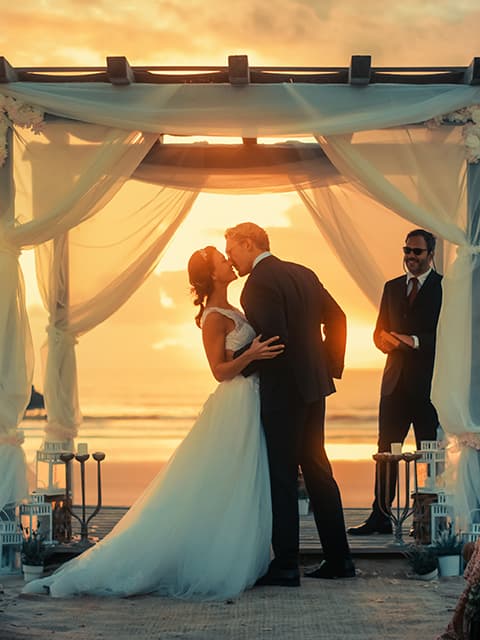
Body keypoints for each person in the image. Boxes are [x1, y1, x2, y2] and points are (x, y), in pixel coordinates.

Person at [23, 246, 284, 600]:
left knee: (238, 480)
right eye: (221, 260)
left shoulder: (234, 309)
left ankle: (232, 547)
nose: (228, 261)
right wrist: (251, 354)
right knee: (225, 478)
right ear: (211, 275)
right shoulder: (213, 316)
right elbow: (219, 371)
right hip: (234, 403)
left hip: (250, 401)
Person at [225, 222, 355, 584]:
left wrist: (235, 363)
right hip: (314, 388)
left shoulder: (257, 285)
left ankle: (285, 565)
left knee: (281, 477)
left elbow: (274, 340)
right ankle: (340, 560)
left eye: (232, 250)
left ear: (249, 244)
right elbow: (338, 319)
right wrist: (328, 366)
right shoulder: (303, 272)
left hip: (284, 392)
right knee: (318, 471)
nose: (230, 259)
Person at [348, 229, 443, 536]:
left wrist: (412, 341)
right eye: (407, 250)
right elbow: (378, 331)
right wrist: (384, 341)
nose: (410, 257)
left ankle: (429, 520)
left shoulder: (445, 289)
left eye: (417, 252)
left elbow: (448, 337)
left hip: (429, 386)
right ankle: (380, 515)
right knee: (386, 450)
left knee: (430, 452)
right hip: (394, 384)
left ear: (431, 254)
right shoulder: (391, 287)